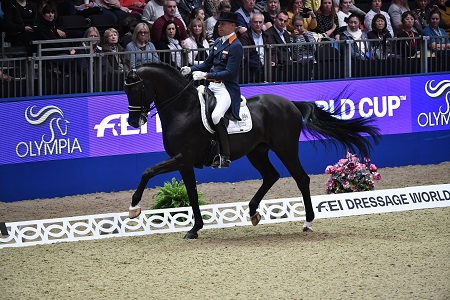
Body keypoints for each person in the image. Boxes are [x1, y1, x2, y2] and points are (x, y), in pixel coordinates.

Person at [179, 12, 243, 168]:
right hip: (212, 86)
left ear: (232, 26)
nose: (219, 27)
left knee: (215, 116)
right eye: (219, 24)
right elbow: (206, 64)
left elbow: (229, 73)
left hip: (226, 89)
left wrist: (206, 75)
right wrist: (191, 68)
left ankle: (225, 155)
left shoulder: (236, 46)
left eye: (223, 24)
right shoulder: (218, 43)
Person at [238, 11, 274, 82]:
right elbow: (246, 54)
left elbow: (273, 51)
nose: (258, 24)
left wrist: (273, 60)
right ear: (250, 23)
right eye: (255, 22)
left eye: (260, 22)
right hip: (252, 68)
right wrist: (260, 62)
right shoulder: (244, 36)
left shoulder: (267, 35)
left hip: (267, 66)